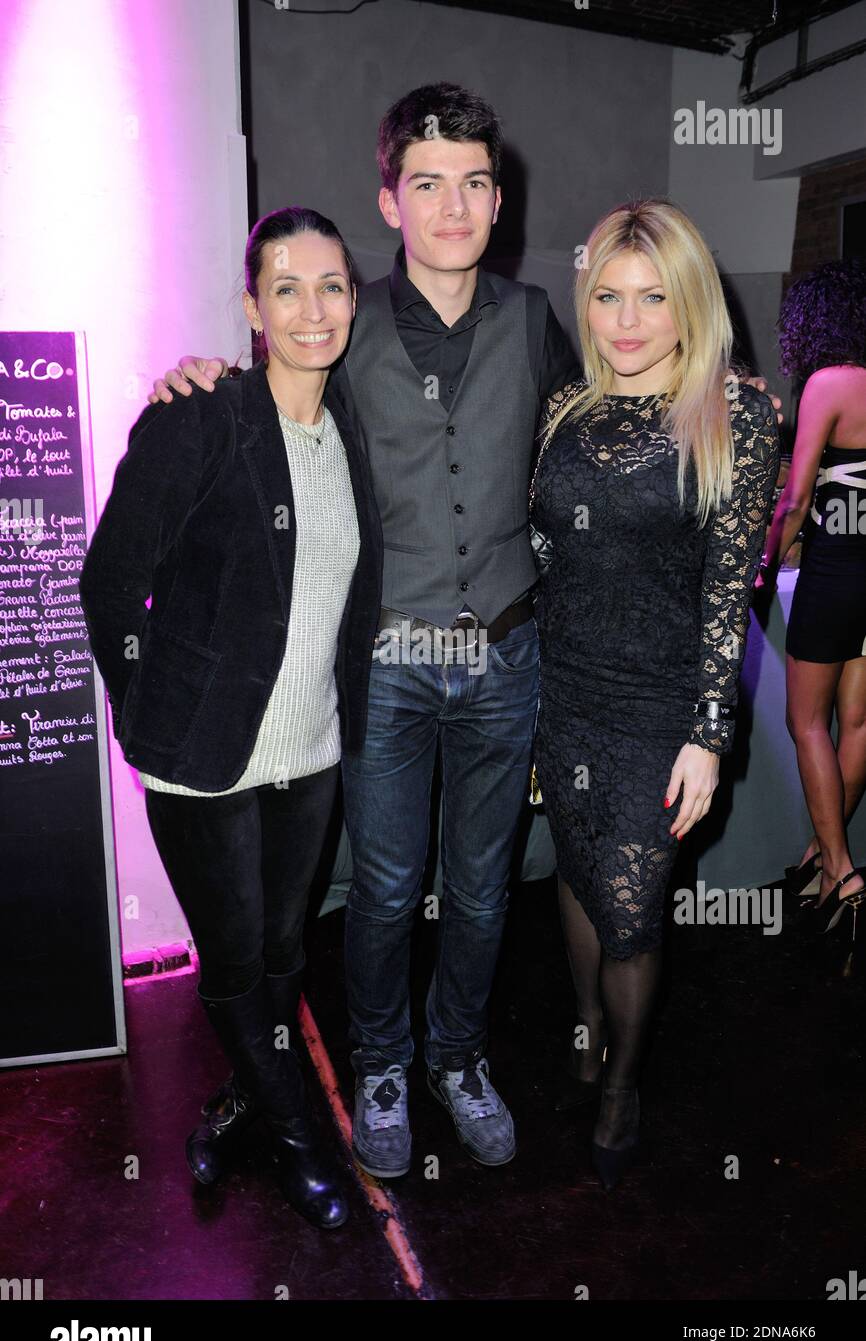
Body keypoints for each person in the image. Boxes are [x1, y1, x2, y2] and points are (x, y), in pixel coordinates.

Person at [148, 84, 781, 1183]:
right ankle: (384, 1065)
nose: (453, 205)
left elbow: (619, 430)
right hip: (390, 662)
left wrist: (728, 397)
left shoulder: (539, 323)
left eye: (474, 183)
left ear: (498, 200)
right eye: (427, 183)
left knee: (483, 888)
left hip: (509, 655)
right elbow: (272, 392)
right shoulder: (341, 330)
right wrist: (200, 377)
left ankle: (456, 1057)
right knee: (389, 887)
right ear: (389, 200)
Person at [80, 207, 383, 1228]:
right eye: (285, 288)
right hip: (202, 762)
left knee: (285, 952)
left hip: (311, 754)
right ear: (252, 307)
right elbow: (111, 582)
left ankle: (243, 1100)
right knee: (237, 957)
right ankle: (303, 1140)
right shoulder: (201, 417)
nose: (311, 308)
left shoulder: (349, 434)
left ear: (353, 297)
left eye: (331, 285)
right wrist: (143, 719)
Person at [529, 198, 780, 1190]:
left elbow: (729, 587)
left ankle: (621, 1081)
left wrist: (708, 735)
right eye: (605, 296)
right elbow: (543, 548)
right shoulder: (564, 410)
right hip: (562, 685)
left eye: (651, 298)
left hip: (662, 704)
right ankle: (586, 1025)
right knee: (577, 869)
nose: (626, 321)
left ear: (688, 306)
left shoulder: (738, 410)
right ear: (583, 302)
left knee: (632, 907)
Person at [758, 260, 866, 944]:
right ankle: (823, 861)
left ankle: (842, 870)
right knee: (857, 725)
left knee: (807, 723)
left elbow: (794, 499)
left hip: (835, 578)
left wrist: (764, 561)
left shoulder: (829, 383)